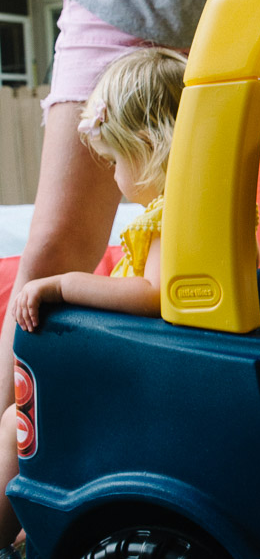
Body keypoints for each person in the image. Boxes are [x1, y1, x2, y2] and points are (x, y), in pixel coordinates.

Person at [0, 0, 260, 419]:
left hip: (219, 16)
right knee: (58, 243)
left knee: (203, 237)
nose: (115, 170)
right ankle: (14, 423)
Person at [1, 48, 187, 555]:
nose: (112, 177)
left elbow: (151, 295)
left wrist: (62, 285)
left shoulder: (172, 217)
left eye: (114, 162)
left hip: (143, 381)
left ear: (148, 147)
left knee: (24, 412)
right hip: (148, 367)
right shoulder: (192, 209)